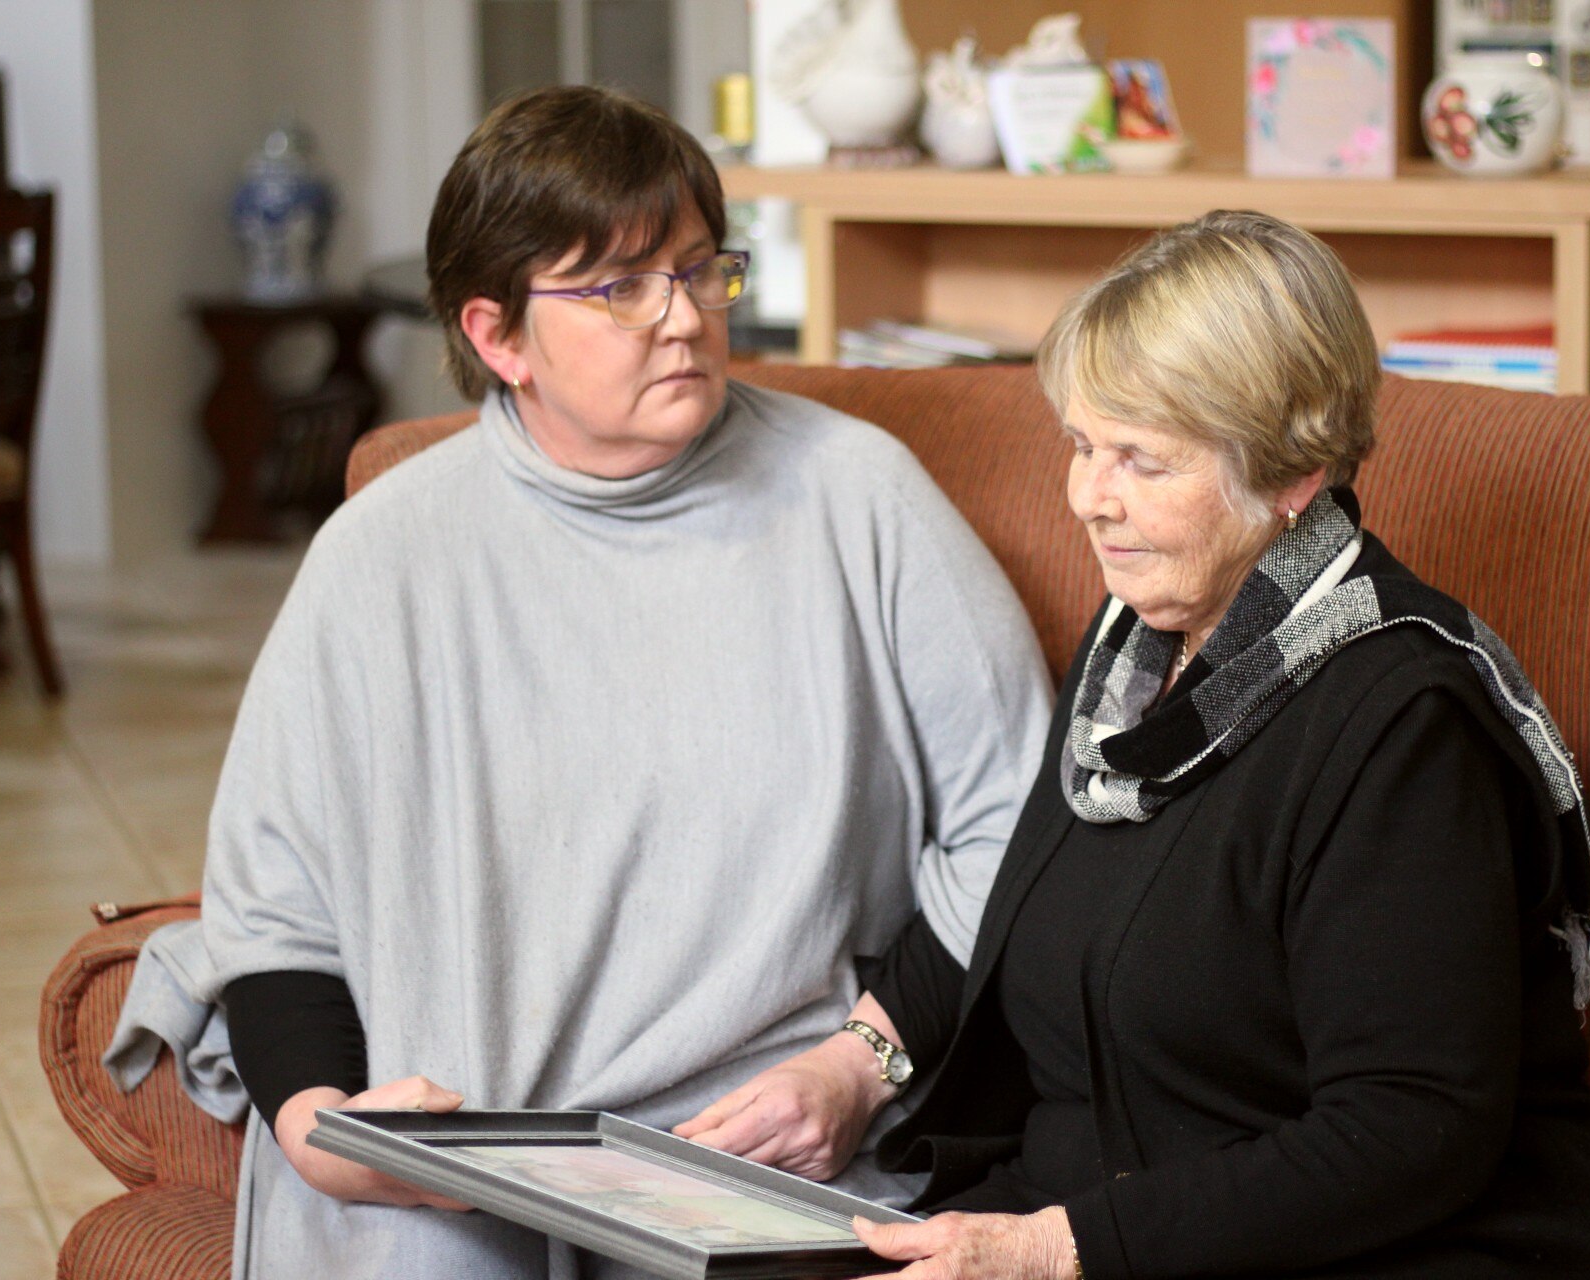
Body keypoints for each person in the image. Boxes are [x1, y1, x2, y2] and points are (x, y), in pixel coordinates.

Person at [699, 211, 1590, 1277]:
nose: (1087, 499)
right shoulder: (1136, 652)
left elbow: (1409, 1130)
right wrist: (856, 1059)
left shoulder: (1402, 725)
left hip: (1368, 1240)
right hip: (1109, 1211)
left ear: (1293, 474)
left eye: (1141, 461)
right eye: (1078, 444)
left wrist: (1059, 1248)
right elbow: (1020, 903)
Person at [197, 85, 1052, 1278]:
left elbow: (1019, 825)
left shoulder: (863, 498)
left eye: (702, 270)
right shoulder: (379, 555)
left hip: (758, 1150)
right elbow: (274, 905)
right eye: (619, 286)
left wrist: (863, 1066)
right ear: (497, 337)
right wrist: (322, 1130)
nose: (683, 317)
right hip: (459, 1154)